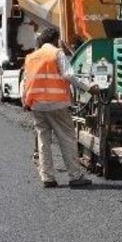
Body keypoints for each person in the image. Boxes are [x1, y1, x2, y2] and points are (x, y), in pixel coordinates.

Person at [22, 28, 95, 188]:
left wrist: (25, 101)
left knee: (43, 140)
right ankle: (75, 176)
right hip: (57, 104)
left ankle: (47, 177)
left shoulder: (31, 57)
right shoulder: (56, 53)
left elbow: (25, 81)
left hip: (36, 105)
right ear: (55, 39)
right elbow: (69, 75)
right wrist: (89, 88)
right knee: (67, 138)